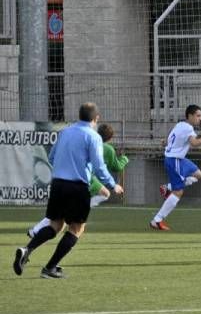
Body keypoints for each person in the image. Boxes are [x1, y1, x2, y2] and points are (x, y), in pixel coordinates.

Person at [13, 102, 124, 279]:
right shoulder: (93, 137)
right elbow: (99, 166)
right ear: (96, 119)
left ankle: (27, 249)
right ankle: (50, 267)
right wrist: (113, 185)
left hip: (58, 184)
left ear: (79, 116)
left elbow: (51, 157)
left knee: (56, 225)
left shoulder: (64, 132)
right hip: (77, 186)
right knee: (76, 228)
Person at [27, 123, 129, 238]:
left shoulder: (87, 140)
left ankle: (35, 230)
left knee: (59, 214)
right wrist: (125, 158)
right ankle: (81, 208)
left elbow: (53, 158)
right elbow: (117, 166)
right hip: (86, 179)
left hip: (70, 178)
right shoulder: (107, 148)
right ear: (110, 138)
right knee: (105, 194)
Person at [150, 105, 201, 230]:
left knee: (197, 174)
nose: (200, 118)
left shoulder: (180, 125)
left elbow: (169, 138)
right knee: (178, 192)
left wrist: (165, 142)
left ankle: (168, 187)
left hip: (178, 159)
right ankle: (157, 220)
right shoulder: (188, 129)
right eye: (198, 115)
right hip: (174, 160)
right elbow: (195, 143)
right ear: (190, 116)